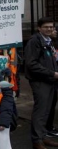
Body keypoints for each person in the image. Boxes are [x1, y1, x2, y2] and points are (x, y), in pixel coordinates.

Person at [24, 17, 58, 149]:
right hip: (40, 81)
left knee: (47, 111)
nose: (49, 29)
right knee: (41, 111)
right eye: (46, 27)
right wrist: (52, 74)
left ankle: (43, 136)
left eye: (51, 27)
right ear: (39, 28)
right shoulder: (35, 41)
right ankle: (37, 141)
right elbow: (31, 64)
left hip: (50, 81)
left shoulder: (49, 41)